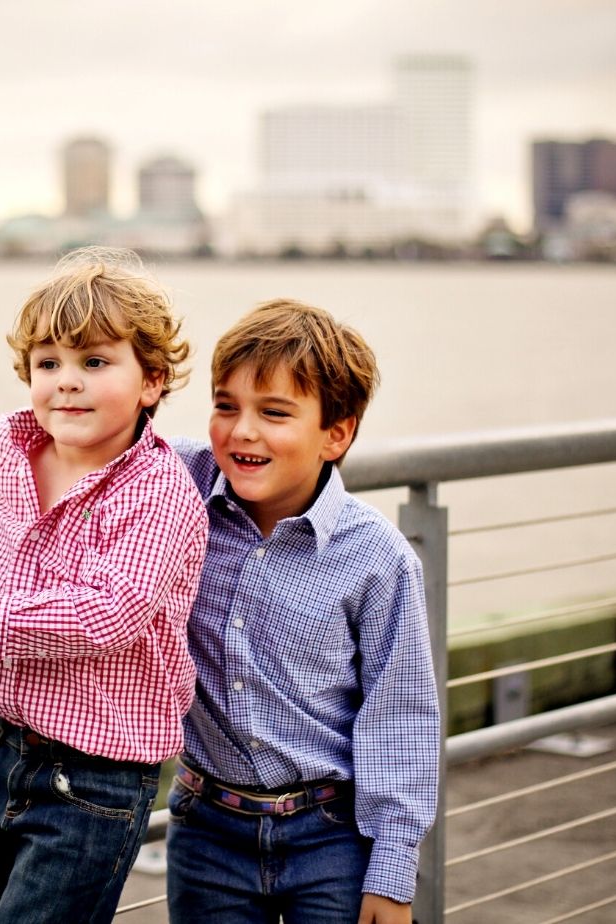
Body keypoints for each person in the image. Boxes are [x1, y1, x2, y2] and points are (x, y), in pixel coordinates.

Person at [0, 248, 208, 924]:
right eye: (49, 364)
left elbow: (110, 612)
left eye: (95, 362)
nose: (67, 382)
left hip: (97, 776)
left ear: (151, 381)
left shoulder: (156, 493)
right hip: (3, 749)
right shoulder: (11, 443)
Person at [164, 299, 440, 924]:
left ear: (335, 434)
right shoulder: (175, 485)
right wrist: (12, 555)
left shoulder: (379, 558)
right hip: (206, 833)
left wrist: (393, 875)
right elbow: (88, 453)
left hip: (333, 838)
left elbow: (400, 718)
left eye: (275, 413)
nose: (242, 431)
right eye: (225, 405)